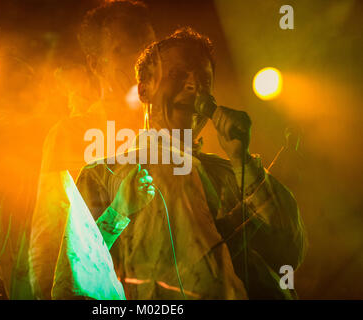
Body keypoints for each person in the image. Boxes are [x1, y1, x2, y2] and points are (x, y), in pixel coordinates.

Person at [75, 28, 306, 299]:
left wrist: (242, 161)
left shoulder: (232, 172)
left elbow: (288, 254)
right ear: (144, 90)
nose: (194, 86)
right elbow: (80, 274)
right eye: (177, 74)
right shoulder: (103, 174)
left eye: (205, 80)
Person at [28, 0, 156, 299]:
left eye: (150, 49)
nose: (143, 62)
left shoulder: (175, 131)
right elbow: (51, 245)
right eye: (124, 50)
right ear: (96, 64)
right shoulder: (70, 135)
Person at [0, 55, 61, 299]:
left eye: (31, 81)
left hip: (10, 206)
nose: (32, 90)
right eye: (24, 83)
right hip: (3, 205)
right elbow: (19, 171)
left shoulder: (12, 119)